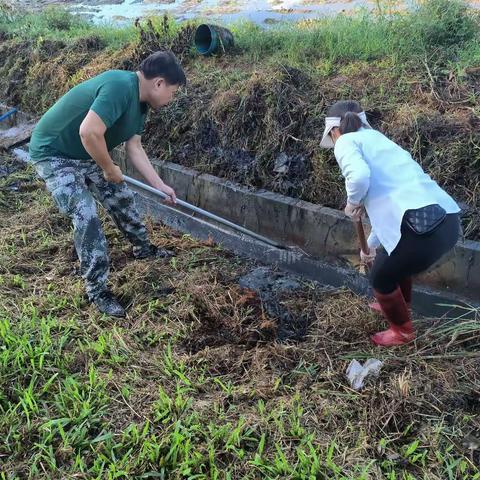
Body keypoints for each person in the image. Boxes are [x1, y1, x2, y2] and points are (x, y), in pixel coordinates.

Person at [28, 50, 186, 317]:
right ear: (159, 83)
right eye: (173, 91)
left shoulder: (141, 104)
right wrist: (108, 167)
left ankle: (143, 248)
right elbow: (88, 131)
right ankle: (97, 290)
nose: (172, 98)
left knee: (121, 197)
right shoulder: (119, 86)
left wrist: (159, 184)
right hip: (54, 153)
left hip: (84, 151)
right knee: (86, 213)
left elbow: (134, 147)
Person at [320, 100, 461, 346]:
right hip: (445, 222)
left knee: (380, 279)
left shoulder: (344, 141)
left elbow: (359, 176)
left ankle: (402, 332)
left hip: (421, 230)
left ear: (333, 131)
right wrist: (372, 245)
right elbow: (391, 213)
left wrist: (352, 202)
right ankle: (400, 304)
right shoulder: (379, 141)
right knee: (392, 260)